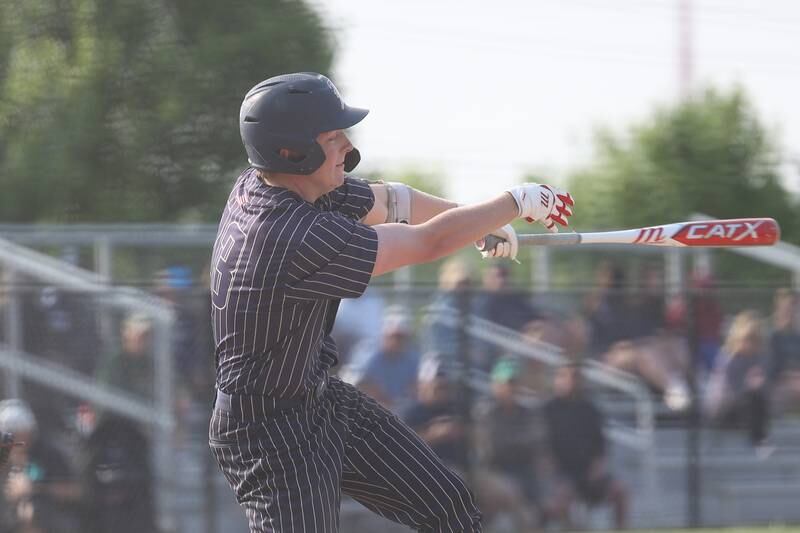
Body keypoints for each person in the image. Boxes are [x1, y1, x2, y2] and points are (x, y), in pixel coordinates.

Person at [207, 71, 574, 532]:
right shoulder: (290, 234)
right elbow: (424, 244)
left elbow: (395, 201)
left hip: (319, 402)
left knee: (448, 507)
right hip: (268, 430)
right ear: (292, 151)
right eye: (333, 135)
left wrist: (479, 223)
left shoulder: (278, 186)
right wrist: (514, 202)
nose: (347, 145)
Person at [542, 364, 628, 530]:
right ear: (556, 380)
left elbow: (601, 447)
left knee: (620, 491)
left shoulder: (590, 410)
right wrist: (554, 476)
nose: (570, 381)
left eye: (575, 377)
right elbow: (542, 449)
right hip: (561, 475)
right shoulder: (547, 410)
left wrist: (597, 469)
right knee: (562, 497)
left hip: (589, 474)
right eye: (565, 376)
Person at [0, 400, 81, 533]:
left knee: (35, 512)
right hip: (11, 522)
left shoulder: (48, 454)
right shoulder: (4, 458)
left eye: (21, 434)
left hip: (51, 519)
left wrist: (35, 487)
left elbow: (76, 491)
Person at [704, 310, 770, 446]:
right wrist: (751, 385)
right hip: (722, 412)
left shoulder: (758, 358)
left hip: (744, 408)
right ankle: (759, 442)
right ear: (738, 338)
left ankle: (760, 439)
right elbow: (734, 393)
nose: (751, 344)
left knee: (758, 398)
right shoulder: (729, 359)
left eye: (755, 340)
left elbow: (764, 387)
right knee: (753, 397)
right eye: (748, 339)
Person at [343, 308, 421, 412]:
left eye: (401, 337)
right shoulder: (367, 352)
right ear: (384, 336)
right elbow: (358, 383)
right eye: (393, 336)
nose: (397, 341)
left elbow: (415, 386)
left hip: (400, 408)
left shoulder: (412, 358)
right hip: (365, 405)